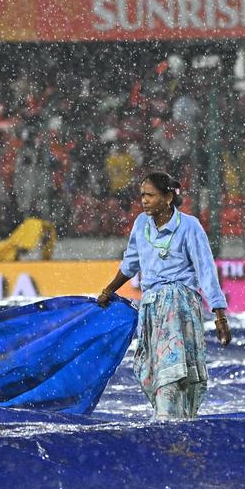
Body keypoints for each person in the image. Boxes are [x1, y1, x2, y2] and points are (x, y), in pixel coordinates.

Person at [97, 172, 231, 419]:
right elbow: (131, 263)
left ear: (168, 197)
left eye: (150, 195)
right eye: (142, 196)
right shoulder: (140, 224)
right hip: (151, 308)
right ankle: (171, 419)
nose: (144, 200)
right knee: (153, 370)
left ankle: (169, 420)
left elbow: (206, 270)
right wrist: (108, 290)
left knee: (175, 370)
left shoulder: (189, 226)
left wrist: (219, 315)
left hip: (180, 307)